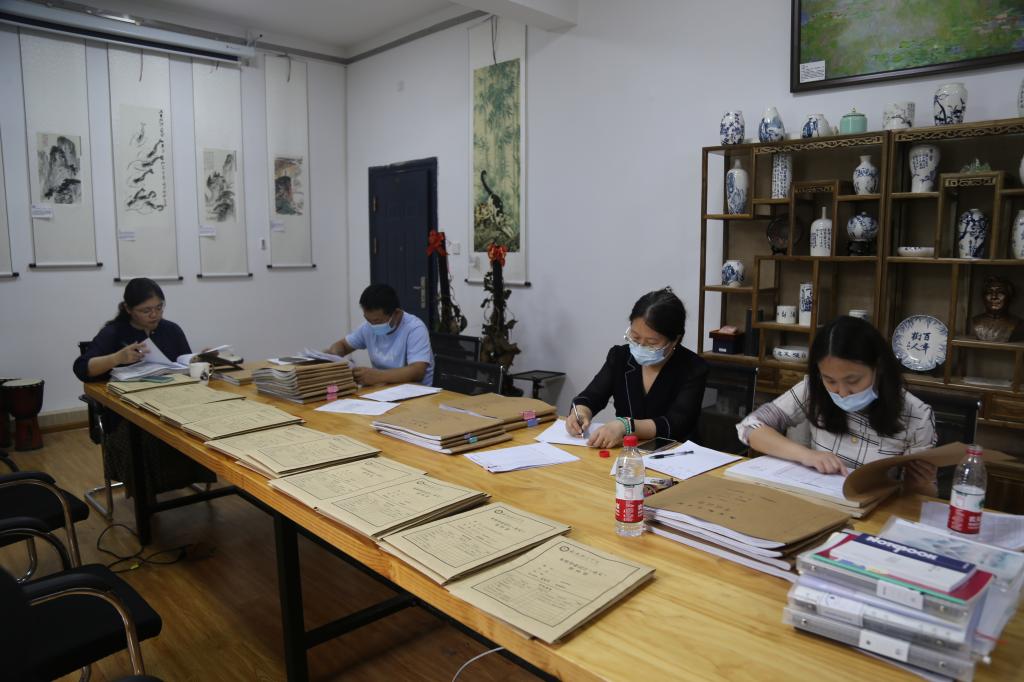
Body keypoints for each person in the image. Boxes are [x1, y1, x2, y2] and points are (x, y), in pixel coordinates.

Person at [736, 316, 937, 494]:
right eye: (830, 380)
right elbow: (749, 427)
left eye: (853, 380)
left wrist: (920, 483)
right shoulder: (813, 389)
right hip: (818, 500)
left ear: (878, 368)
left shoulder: (917, 415)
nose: (842, 391)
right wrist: (807, 455)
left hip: (874, 511)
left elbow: (923, 497)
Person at [73, 278, 216, 498]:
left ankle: (192, 477)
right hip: (128, 411)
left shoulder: (171, 330)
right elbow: (82, 368)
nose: (154, 315)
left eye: (159, 307)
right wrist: (117, 358)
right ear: (128, 309)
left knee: (202, 422)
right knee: (145, 435)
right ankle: (146, 498)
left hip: (173, 402)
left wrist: (197, 359)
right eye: (146, 310)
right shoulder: (114, 332)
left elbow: (182, 364)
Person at [567, 287, 708, 448]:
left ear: (675, 340)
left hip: (676, 454)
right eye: (635, 337)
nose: (640, 346)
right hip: (626, 453)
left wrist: (626, 426)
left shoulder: (693, 367)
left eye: (652, 343)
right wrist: (581, 412)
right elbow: (592, 396)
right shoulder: (620, 357)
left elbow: (676, 423)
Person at [327, 283, 434, 386]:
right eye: (368, 320)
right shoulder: (367, 327)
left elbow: (417, 371)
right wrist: (334, 358)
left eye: (377, 321)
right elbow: (342, 345)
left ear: (397, 314)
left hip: (415, 392)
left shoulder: (415, 328)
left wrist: (377, 376)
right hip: (381, 390)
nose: (372, 325)